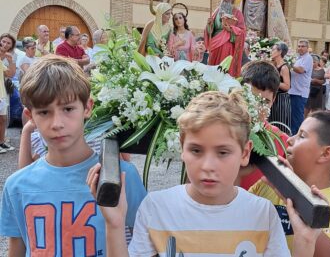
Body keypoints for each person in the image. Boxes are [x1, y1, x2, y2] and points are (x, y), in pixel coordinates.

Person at [88, 90, 290, 256]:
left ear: (245, 153)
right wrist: (114, 225)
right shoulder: (156, 208)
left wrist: (307, 239)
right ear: (182, 149)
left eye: (222, 152)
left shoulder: (263, 213)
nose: (208, 165)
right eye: (196, 150)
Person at [0, 55, 146, 256]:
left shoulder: (123, 176)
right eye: (44, 112)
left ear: (87, 108)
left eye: (68, 109)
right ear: (30, 115)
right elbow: (17, 249)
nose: (57, 123)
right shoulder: (16, 186)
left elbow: (147, 244)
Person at [249, 111, 330, 256]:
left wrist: (293, 195)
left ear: (325, 154)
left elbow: (327, 255)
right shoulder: (268, 183)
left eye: (301, 135)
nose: (289, 140)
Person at [238, 60, 289, 189]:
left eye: (265, 101)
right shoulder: (220, 133)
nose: (256, 108)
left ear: (274, 100)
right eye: (252, 98)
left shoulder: (282, 141)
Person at [205, 0, 246, 77]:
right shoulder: (216, 11)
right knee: (212, 71)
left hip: (227, 46)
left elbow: (242, 32)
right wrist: (210, 25)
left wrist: (231, 29)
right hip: (214, 45)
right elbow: (210, 32)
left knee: (223, 71)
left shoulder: (237, 13)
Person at [289, 39, 313, 135]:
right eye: (299, 46)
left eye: (303, 46)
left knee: (297, 118)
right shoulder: (296, 57)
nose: (300, 48)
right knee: (291, 117)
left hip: (300, 92)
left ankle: (298, 138)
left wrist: (289, 63)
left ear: (307, 48)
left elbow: (301, 70)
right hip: (291, 90)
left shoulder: (308, 58)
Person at [268, 41, 291, 134]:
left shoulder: (284, 67)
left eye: (273, 49)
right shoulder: (273, 65)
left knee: (280, 125)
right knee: (272, 124)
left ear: (280, 52)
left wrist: (274, 81)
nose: (271, 51)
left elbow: (287, 86)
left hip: (281, 100)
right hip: (274, 97)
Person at [0, 33, 17, 153]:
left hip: (2, 94)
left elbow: (10, 74)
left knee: (3, 119)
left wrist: (11, 61)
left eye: (8, 43)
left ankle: (1, 142)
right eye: (3, 42)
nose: (5, 45)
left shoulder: (2, 60)